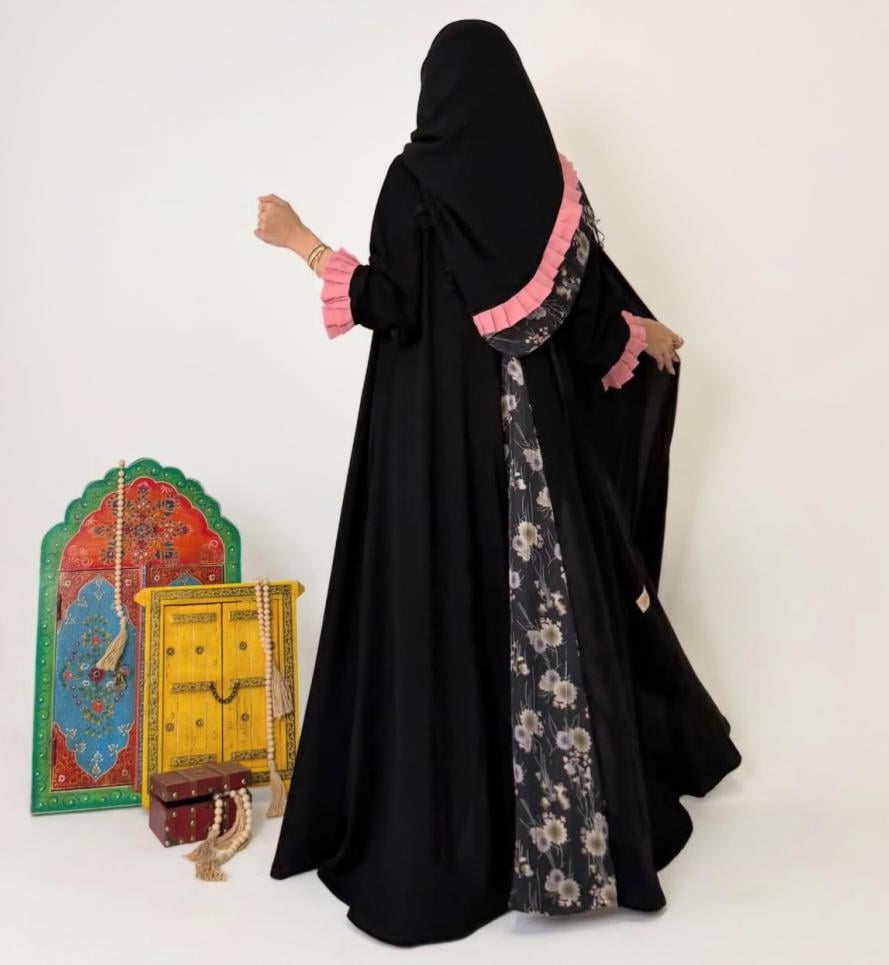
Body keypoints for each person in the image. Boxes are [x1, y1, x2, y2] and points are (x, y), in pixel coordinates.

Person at [254, 19, 741, 947]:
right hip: (535, 460)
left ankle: (452, 840)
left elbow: (393, 304)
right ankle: (575, 832)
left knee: (445, 611)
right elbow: (588, 313)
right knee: (546, 612)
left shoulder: (413, 180)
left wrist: (302, 243)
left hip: (431, 453)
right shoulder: (549, 184)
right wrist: (643, 332)